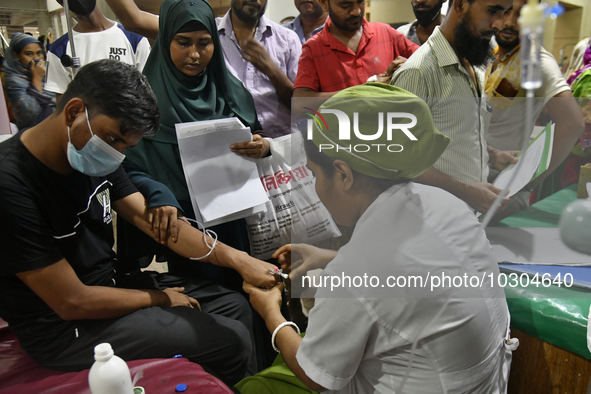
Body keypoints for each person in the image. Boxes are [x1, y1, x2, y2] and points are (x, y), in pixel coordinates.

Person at [0, 59, 277, 386]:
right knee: (230, 338)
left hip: (112, 286)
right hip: (64, 328)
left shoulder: (96, 152)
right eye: (115, 139)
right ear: (74, 111)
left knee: (234, 305)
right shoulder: (11, 184)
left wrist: (239, 260)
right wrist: (159, 299)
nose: (117, 153)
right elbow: (71, 301)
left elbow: (160, 227)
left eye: (126, 146)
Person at [238, 83, 513, 393]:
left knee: (257, 387)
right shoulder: (443, 203)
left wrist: (271, 314)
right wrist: (328, 257)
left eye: (315, 176)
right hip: (486, 383)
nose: (315, 188)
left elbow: (316, 375)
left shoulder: (354, 272)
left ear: (343, 174)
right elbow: (416, 273)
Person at [391, 0, 516, 214]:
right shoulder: (419, 73)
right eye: (492, 11)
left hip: (469, 219)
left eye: (504, 12)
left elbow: (453, 133)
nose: (500, 24)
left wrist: (491, 155)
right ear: (460, 5)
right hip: (433, 224)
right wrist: (466, 191)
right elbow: (399, 159)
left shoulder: (473, 66)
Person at [484, 0, 584, 219]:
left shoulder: (537, 62)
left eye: (520, 14)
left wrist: (529, 182)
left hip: (500, 193)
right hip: (469, 178)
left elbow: (573, 124)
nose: (509, 22)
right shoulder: (486, 49)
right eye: (506, 11)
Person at [293, 0, 419, 98]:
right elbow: (300, 103)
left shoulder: (386, 33)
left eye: (360, 1)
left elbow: (427, 60)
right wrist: (363, 92)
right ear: (324, 3)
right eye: (345, 5)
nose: (356, 11)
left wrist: (407, 70)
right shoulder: (313, 48)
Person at [216, 0, 302, 137]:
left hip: (281, 146)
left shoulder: (287, 39)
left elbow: (303, 107)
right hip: (232, 146)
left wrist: (271, 70)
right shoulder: (210, 36)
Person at [45, 0, 150, 103]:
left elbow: (148, 89)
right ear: (61, 2)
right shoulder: (59, 49)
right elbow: (64, 106)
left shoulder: (134, 37)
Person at [4, 33, 55, 130]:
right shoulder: (14, 80)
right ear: (16, 55)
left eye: (39, 53)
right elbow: (31, 112)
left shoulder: (47, 73)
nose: (36, 58)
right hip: (33, 135)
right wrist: (37, 79)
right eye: (29, 54)